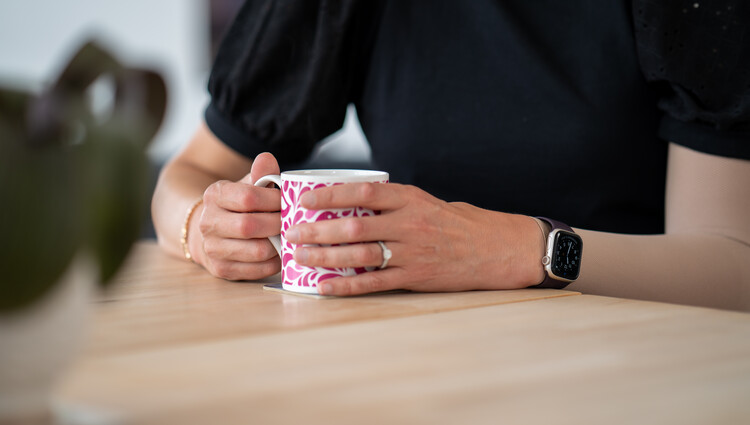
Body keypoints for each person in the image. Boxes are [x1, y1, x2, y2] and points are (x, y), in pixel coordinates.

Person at [152, 0, 750, 310]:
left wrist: (517, 251)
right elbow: (191, 174)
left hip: (636, 358)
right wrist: (200, 228)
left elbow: (734, 267)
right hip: (419, 365)